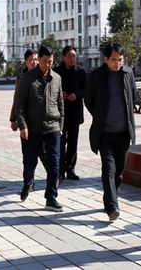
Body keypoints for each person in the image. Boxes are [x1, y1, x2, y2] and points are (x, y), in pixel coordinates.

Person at [84, 43, 137, 222]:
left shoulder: (128, 74)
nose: (117, 63)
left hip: (123, 132)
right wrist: (100, 115)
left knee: (119, 172)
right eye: (114, 60)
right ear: (105, 59)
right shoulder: (96, 76)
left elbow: (133, 96)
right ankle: (112, 206)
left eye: (120, 60)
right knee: (108, 169)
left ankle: (110, 196)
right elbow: (88, 100)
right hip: (105, 133)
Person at [15, 45, 64, 211]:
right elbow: (19, 105)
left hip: (53, 128)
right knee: (30, 162)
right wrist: (22, 125)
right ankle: (27, 183)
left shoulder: (57, 78)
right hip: (33, 129)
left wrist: (60, 126)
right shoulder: (27, 78)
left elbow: (60, 104)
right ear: (39, 60)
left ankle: (51, 197)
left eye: (50, 61)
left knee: (54, 164)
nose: (48, 65)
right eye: (45, 61)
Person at [54, 46, 86, 181]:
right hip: (60, 113)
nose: (72, 59)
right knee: (60, 142)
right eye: (69, 56)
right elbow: (51, 90)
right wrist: (61, 94)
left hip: (75, 112)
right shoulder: (56, 72)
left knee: (73, 142)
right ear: (63, 57)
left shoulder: (81, 72)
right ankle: (60, 170)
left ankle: (70, 169)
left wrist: (77, 95)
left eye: (74, 56)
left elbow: (86, 89)